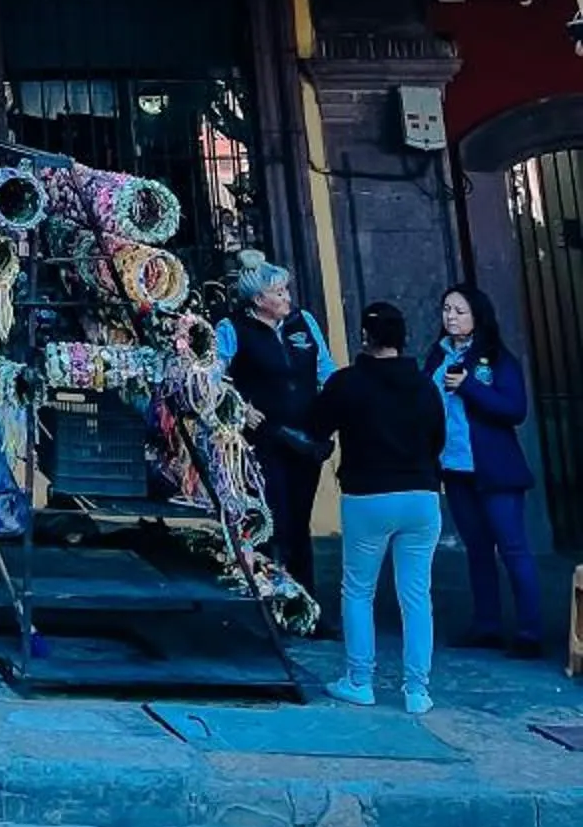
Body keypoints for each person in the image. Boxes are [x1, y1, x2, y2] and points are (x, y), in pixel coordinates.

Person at [309, 300, 448, 714]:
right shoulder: (425, 384)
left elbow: (316, 425)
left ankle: (359, 679)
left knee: (358, 591)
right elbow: (437, 439)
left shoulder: (347, 383)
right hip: (422, 496)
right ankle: (417, 690)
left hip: (368, 495)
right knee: (417, 595)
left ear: (365, 336)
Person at [213, 256, 334, 601]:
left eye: (286, 290)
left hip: (306, 438)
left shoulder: (304, 322)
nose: (287, 298)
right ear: (258, 300)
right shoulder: (232, 328)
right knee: (271, 520)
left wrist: (330, 413)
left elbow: (326, 371)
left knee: (299, 521)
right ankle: (269, 596)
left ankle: (304, 601)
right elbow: (211, 380)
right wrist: (239, 407)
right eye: (278, 292)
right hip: (263, 442)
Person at [433, 283, 543, 656]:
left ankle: (530, 631)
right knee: (477, 549)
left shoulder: (497, 358)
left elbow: (514, 409)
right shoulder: (438, 355)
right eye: (446, 309)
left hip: (496, 469)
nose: (450, 317)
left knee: (513, 549)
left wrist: (469, 388)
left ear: (477, 317)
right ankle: (487, 625)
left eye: (459, 311)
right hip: (455, 466)